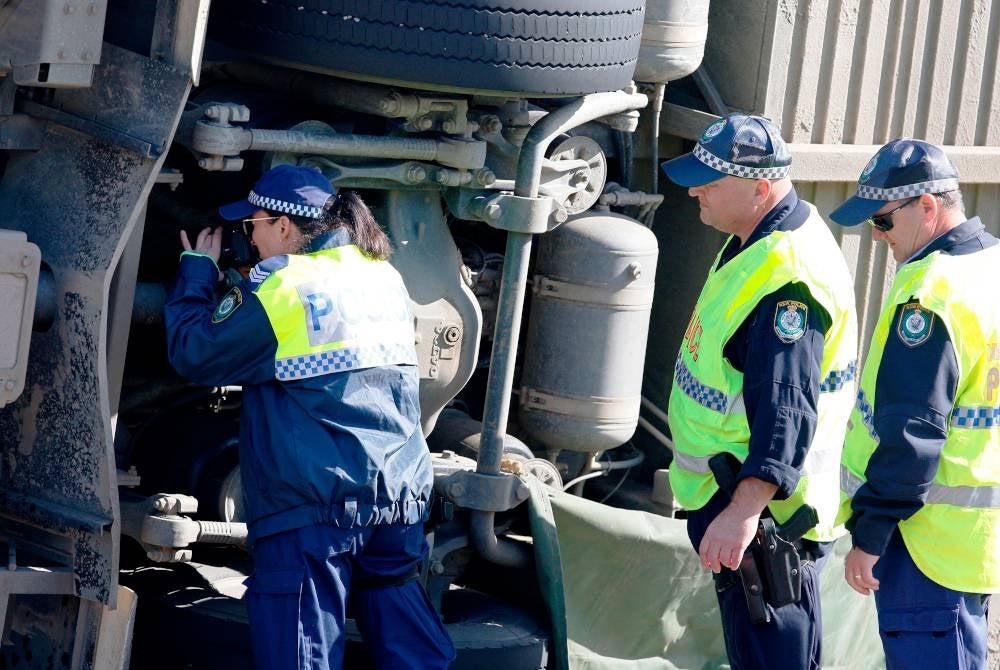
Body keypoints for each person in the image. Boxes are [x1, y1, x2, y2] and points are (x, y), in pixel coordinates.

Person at [164, 164, 455, 670]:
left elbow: (197, 352)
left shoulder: (285, 287)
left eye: (252, 224)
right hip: (397, 497)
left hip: (315, 507)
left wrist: (197, 273)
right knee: (407, 637)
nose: (249, 238)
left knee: (300, 652)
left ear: (283, 226)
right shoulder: (381, 274)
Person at [661, 113, 858, 669]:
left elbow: (786, 409)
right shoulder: (761, 238)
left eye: (712, 181)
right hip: (744, 506)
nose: (696, 190)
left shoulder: (785, 282)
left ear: (760, 188)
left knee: (773, 655)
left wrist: (744, 511)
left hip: (767, 522)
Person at [830, 139, 998, 669]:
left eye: (882, 222)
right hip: (971, 542)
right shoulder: (990, 267)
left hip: (921, 542)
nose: (878, 238)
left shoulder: (930, 294)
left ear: (928, 207)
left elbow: (913, 432)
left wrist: (871, 532)